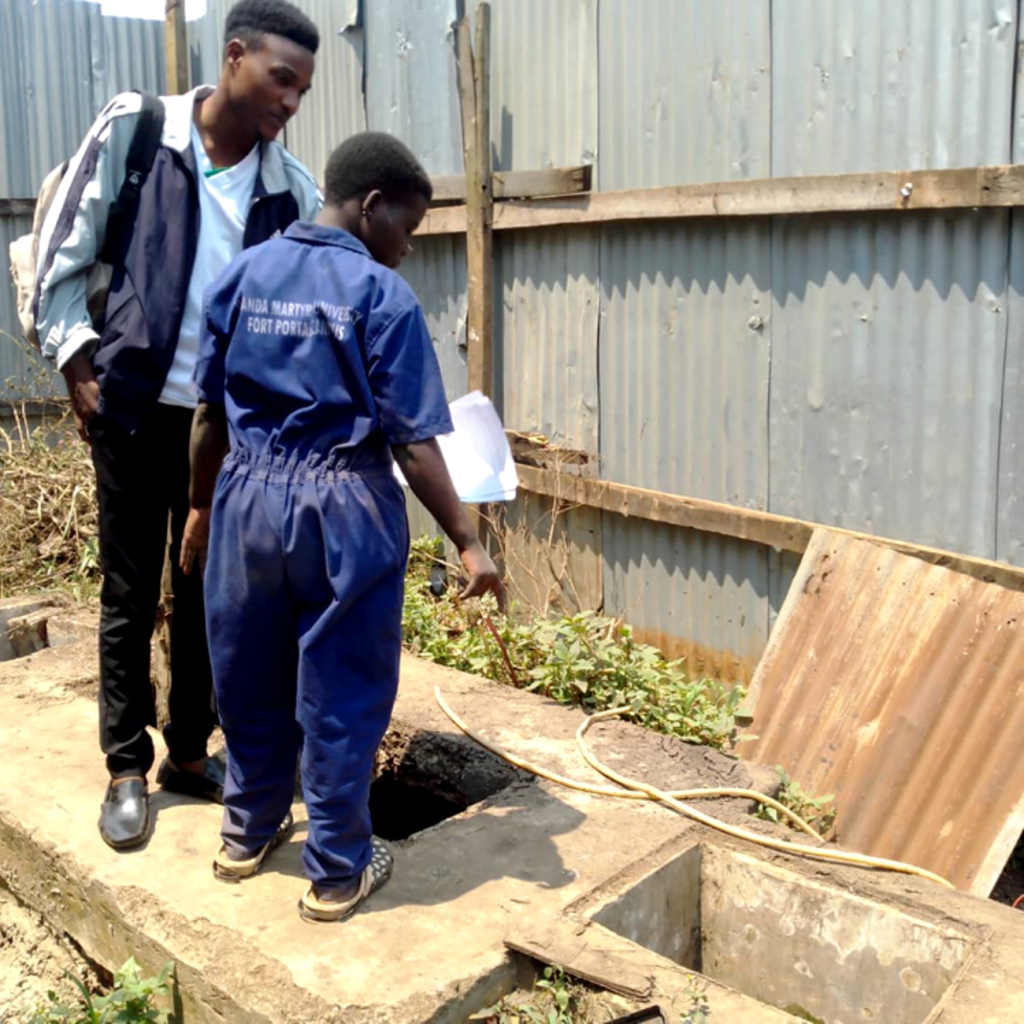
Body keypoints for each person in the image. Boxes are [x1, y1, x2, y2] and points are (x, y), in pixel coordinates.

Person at [182, 131, 504, 922]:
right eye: (409, 227)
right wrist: (466, 538)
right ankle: (335, 872)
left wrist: (199, 506)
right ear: (372, 207)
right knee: (342, 690)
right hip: (342, 508)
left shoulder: (243, 275)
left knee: (248, 672)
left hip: (245, 500)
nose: (407, 248)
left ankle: (244, 835)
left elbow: (205, 418)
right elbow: (413, 442)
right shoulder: (380, 298)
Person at [34, 0, 322, 850]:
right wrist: (76, 363)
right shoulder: (140, 132)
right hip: (128, 410)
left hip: (223, 432)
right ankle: (126, 764)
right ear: (234, 57)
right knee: (129, 591)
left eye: (303, 91)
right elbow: (61, 249)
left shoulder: (288, 190)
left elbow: (297, 312)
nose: (290, 103)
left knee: (207, 592)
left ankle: (189, 754)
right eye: (282, 80)